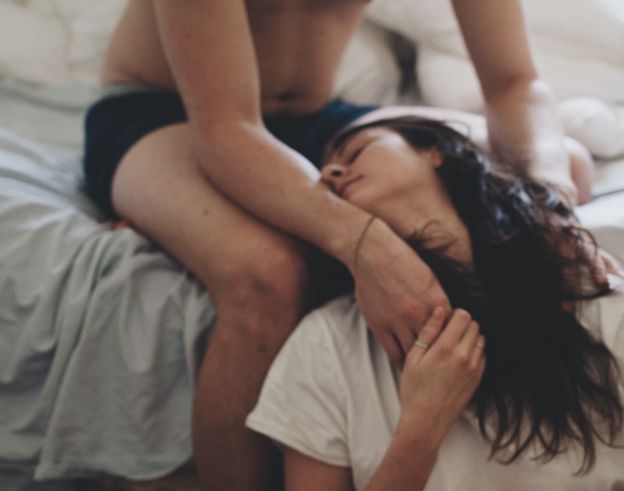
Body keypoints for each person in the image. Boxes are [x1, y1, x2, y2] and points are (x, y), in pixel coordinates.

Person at [81, 1, 592, 489]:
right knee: (270, 275)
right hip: (176, 114)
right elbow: (227, 127)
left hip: (315, 118)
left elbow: (513, 82)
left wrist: (552, 204)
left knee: (564, 161)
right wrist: (365, 244)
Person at [246, 116, 624, 490]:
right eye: (323, 172)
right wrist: (420, 432)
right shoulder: (324, 345)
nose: (329, 173)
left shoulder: (610, 315)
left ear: (437, 152)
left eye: (355, 152)